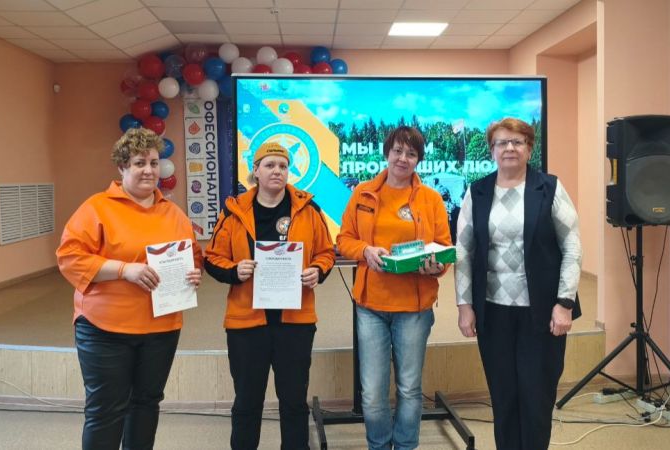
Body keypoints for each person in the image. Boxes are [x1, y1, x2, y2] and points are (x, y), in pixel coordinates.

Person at [56, 127, 203, 450]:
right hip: (105, 329)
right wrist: (124, 270)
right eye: (139, 163)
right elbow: (69, 258)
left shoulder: (174, 213)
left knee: (146, 404)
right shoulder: (97, 208)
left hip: (161, 328)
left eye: (154, 163)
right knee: (106, 411)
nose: (149, 170)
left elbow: (192, 256)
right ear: (122, 167)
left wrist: (193, 273)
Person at [455, 118, 582, 450]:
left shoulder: (549, 188)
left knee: (536, 398)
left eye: (517, 142)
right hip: (493, 312)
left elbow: (572, 246)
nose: (509, 148)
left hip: (541, 313)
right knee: (504, 397)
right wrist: (465, 305)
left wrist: (564, 302)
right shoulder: (477, 192)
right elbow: (464, 251)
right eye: (502, 142)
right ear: (492, 150)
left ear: (529, 148)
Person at [204, 142, 335, 450]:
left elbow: (326, 252)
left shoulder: (309, 209)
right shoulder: (234, 211)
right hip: (246, 324)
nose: (277, 171)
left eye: (283, 166)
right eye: (270, 165)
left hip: (295, 323)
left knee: (294, 401)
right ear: (256, 170)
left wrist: (317, 270)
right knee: (247, 401)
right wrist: (235, 270)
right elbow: (212, 258)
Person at [337, 126, 452, 450]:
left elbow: (444, 247)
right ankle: (378, 446)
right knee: (373, 393)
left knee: (409, 389)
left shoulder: (430, 199)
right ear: (387, 153)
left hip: (414, 309)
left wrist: (437, 266)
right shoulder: (363, 193)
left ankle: (405, 446)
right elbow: (344, 239)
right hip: (371, 306)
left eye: (411, 153)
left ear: (418, 160)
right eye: (398, 151)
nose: (403, 158)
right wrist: (365, 251)